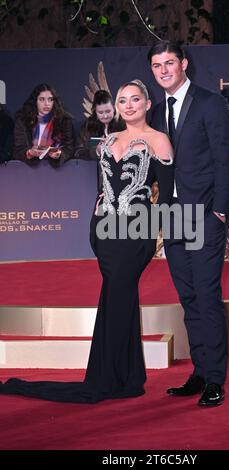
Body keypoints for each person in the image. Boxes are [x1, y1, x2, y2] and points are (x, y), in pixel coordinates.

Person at [0, 79, 174, 403]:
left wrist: (153, 232)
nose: (129, 105)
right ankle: (128, 375)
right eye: (123, 100)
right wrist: (95, 222)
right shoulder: (108, 141)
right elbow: (103, 186)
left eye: (135, 99)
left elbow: (165, 196)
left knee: (119, 295)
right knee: (114, 297)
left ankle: (109, 378)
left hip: (135, 233)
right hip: (105, 231)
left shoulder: (159, 141)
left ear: (148, 104)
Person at [149, 40, 229, 407]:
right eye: (157, 65)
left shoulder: (210, 102)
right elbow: (157, 166)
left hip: (205, 215)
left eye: (170, 62)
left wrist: (219, 210)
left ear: (184, 63)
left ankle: (215, 378)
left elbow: (224, 159)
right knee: (188, 298)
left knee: (207, 295)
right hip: (173, 216)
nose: (164, 70)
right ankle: (200, 372)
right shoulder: (155, 113)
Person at [13, 83, 74, 167]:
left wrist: (60, 154)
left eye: (50, 99)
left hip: (57, 171)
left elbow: (69, 148)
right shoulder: (23, 120)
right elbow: (18, 149)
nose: (47, 104)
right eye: (42, 99)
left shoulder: (64, 121)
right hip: (28, 170)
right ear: (35, 101)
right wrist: (30, 153)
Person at [75, 89, 125, 160]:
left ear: (114, 108)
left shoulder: (122, 124)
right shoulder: (88, 126)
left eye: (108, 111)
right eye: (100, 113)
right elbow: (78, 152)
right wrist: (96, 151)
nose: (105, 116)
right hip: (94, 169)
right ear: (95, 112)